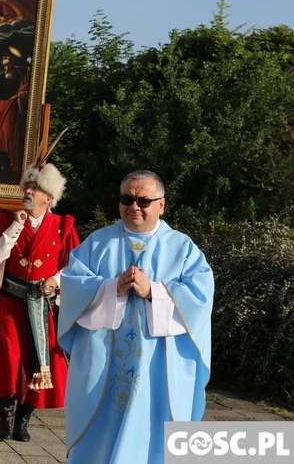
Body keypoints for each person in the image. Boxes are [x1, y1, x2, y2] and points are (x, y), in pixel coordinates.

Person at [59, 170, 214, 464]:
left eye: (143, 200)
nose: (134, 207)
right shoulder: (97, 242)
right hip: (104, 363)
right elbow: (72, 284)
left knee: (152, 431)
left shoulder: (182, 247)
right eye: (126, 199)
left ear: (161, 205)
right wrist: (110, 287)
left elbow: (201, 295)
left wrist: (154, 291)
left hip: (157, 367)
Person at [0, 163, 79, 441]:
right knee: (8, 358)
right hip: (9, 302)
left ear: (49, 198)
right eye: (28, 186)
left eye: (37, 188)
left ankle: (23, 419)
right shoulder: (9, 220)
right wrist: (15, 227)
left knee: (42, 362)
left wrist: (56, 280)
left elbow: (74, 265)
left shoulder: (63, 225)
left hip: (42, 306)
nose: (29, 191)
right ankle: (5, 417)